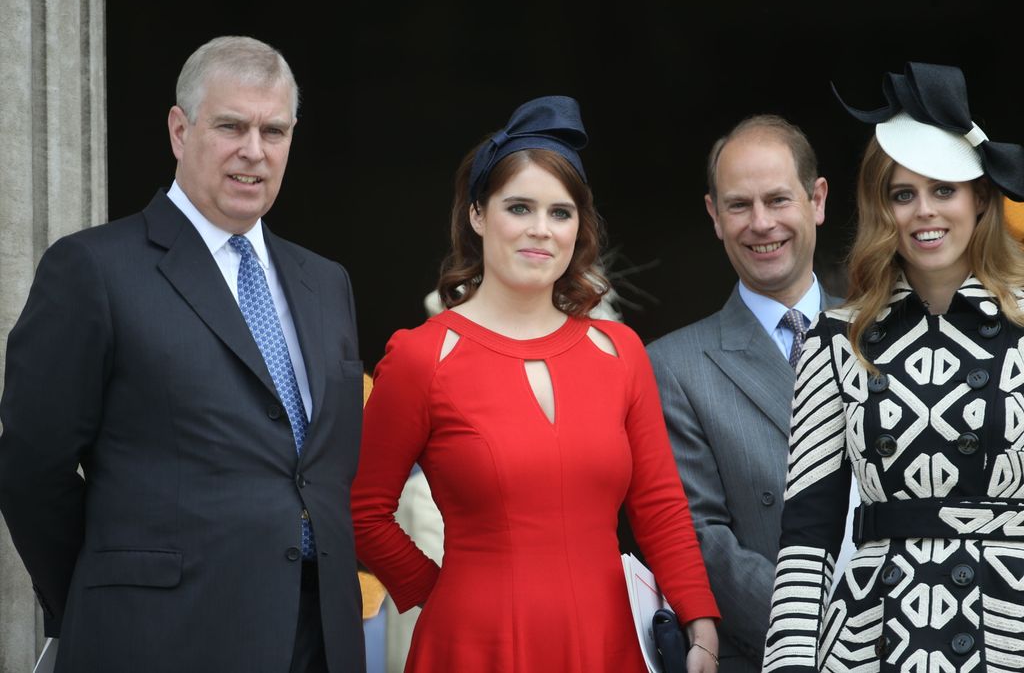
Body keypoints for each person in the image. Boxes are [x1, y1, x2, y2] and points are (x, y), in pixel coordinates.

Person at [0, 36, 364, 673]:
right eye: (231, 126)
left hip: (317, 640)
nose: (254, 151)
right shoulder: (94, 269)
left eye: (273, 131)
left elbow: (321, 473)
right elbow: (32, 471)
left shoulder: (325, 282)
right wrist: (102, 595)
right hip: (159, 640)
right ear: (179, 129)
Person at [350, 95, 720, 672]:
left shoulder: (619, 351)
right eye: (519, 208)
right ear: (477, 214)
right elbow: (362, 510)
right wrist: (437, 593)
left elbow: (660, 505)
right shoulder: (423, 355)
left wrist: (700, 625)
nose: (541, 231)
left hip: (609, 644)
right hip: (475, 647)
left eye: (560, 212)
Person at [763, 62, 1024, 672]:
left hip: (1007, 632)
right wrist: (791, 660)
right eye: (902, 194)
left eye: (943, 190)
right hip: (873, 636)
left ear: (980, 197)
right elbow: (808, 529)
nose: (923, 212)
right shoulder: (839, 337)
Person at [646, 114, 842, 672]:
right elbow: (700, 539)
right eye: (738, 205)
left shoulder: (886, 334)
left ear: (817, 200)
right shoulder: (671, 365)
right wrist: (834, 633)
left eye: (778, 200)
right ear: (714, 215)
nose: (761, 223)